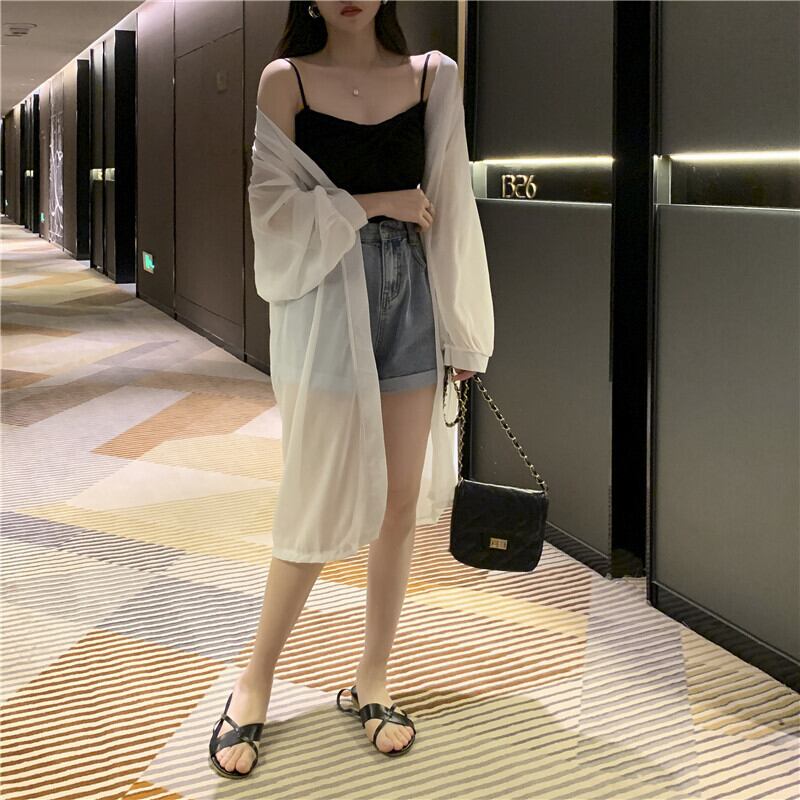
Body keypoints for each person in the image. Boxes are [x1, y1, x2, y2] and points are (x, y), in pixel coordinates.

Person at [208, 0, 492, 779]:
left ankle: (373, 676)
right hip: (325, 303)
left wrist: (464, 329)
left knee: (398, 503)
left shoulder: (433, 77)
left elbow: (452, 203)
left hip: (411, 302)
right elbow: (271, 211)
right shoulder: (286, 81)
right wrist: (373, 204)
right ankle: (254, 678)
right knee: (315, 492)